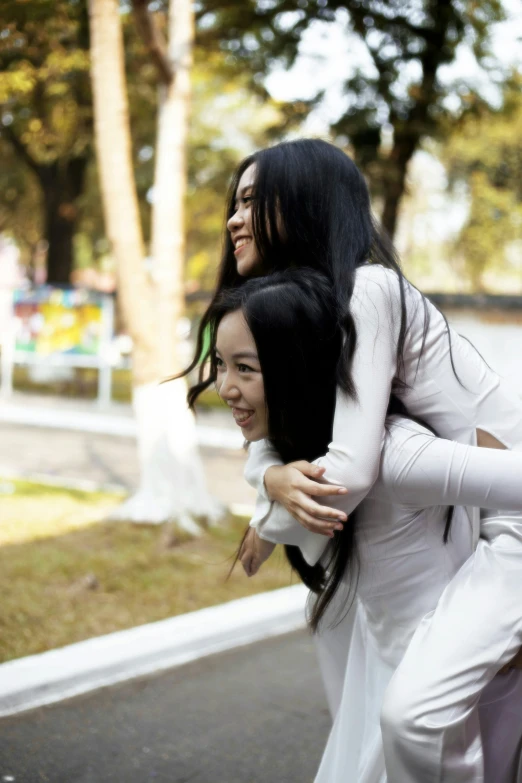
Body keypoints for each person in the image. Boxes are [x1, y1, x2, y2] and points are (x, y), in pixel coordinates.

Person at [181, 138, 522, 781]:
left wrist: (272, 503)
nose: (233, 218)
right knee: (361, 662)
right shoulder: (317, 312)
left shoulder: (367, 289)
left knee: (415, 717)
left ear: (307, 204)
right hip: (472, 512)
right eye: (236, 201)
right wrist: (271, 477)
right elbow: (280, 436)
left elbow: (352, 470)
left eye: (253, 202)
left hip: (508, 519)